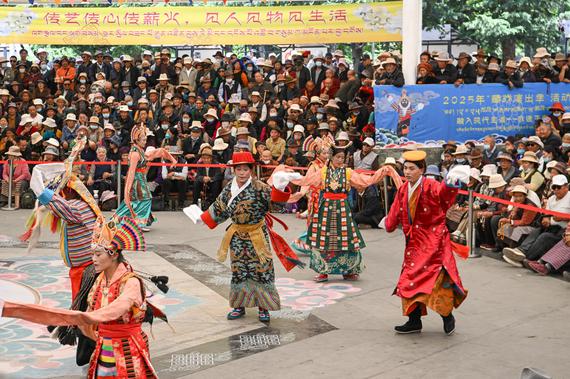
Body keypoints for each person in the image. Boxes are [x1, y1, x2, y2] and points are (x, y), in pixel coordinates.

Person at [1, 217, 161, 378]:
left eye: (98, 254)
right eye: (92, 254)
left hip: (127, 350)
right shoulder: (99, 279)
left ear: (113, 254)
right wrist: (94, 332)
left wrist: (86, 317)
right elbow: (87, 319)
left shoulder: (131, 282)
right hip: (104, 348)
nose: (94, 259)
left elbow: (120, 306)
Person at [196, 151, 303, 322]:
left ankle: (264, 307)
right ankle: (239, 306)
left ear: (251, 170)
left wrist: (280, 187)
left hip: (257, 234)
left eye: (245, 169)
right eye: (239, 169)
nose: (242, 172)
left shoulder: (260, 187)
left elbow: (276, 202)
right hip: (237, 236)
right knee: (239, 271)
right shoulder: (229, 188)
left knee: (262, 270)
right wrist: (202, 218)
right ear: (234, 170)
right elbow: (219, 208)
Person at [279, 145, 401, 282]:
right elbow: (307, 181)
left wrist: (382, 172)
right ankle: (322, 270)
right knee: (324, 240)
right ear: (331, 157)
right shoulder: (323, 172)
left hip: (343, 209)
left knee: (347, 240)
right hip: (325, 209)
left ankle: (348, 270)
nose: (340, 160)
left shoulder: (348, 172)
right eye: (338, 157)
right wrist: (288, 176)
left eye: (342, 157)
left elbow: (365, 181)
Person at [381, 150, 468, 335]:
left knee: (437, 282)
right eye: (405, 168)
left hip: (434, 241)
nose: (407, 172)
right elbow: (396, 210)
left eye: (412, 168)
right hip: (414, 243)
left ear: (422, 169)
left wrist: (451, 183)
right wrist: (389, 224)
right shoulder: (404, 189)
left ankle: (447, 316)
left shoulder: (431, 185)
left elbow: (444, 195)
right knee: (409, 281)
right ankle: (414, 321)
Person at [114, 123, 176, 231]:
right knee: (144, 198)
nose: (145, 141)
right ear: (136, 140)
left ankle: (121, 220)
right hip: (136, 179)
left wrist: (172, 159)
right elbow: (132, 171)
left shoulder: (140, 151)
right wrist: (127, 189)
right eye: (143, 140)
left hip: (141, 178)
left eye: (145, 139)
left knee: (137, 200)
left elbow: (159, 152)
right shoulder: (135, 154)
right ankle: (139, 222)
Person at [502, 175, 570, 267]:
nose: (556, 190)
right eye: (554, 187)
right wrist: (545, 218)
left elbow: (525, 220)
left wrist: (563, 217)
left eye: (559, 187)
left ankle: (525, 258)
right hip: (550, 226)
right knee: (537, 231)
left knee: (544, 236)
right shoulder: (551, 199)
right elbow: (546, 214)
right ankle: (521, 251)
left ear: (566, 186)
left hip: (563, 230)